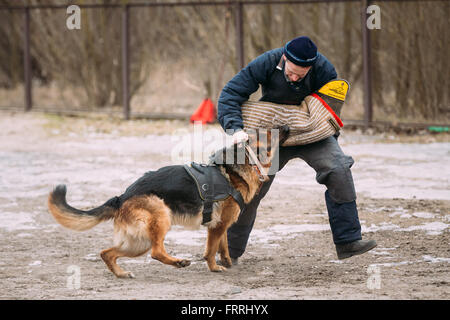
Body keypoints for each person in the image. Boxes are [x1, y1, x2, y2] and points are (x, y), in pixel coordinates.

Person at [217, 36, 377, 264]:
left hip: (310, 133)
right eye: (290, 73)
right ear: (284, 59)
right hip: (271, 132)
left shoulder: (324, 70)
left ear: (310, 68)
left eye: (300, 76)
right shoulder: (267, 61)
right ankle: (228, 251)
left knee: (339, 167)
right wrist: (235, 128)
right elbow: (231, 93)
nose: (294, 78)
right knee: (250, 188)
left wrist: (330, 137)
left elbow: (330, 111)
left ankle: (348, 241)